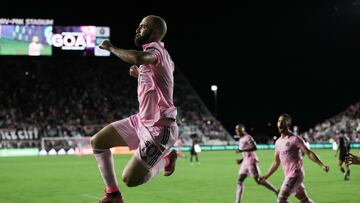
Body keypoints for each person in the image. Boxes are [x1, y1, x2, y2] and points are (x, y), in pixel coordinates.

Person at [92, 15, 178, 203]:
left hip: (159, 128)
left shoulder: (154, 49)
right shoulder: (160, 56)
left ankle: (167, 158)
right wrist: (141, 74)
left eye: (143, 26)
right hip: (141, 120)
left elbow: (138, 57)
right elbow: (163, 77)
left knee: (130, 179)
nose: (137, 30)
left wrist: (110, 47)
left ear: (154, 32)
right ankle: (113, 195)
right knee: (98, 142)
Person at [259, 113, 329, 203]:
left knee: (281, 200)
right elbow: (276, 162)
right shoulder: (278, 142)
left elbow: (308, 153)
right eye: (279, 121)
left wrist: (321, 165)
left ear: (288, 123)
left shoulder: (295, 139)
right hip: (289, 175)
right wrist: (266, 176)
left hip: (295, 174)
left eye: (283, 121)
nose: (280, 123)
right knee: (305, 200)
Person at [234, 124, 278, 203]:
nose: (237, 131)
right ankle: (237, 201)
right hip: (245, 162)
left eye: (239, 129)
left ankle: (276, 191)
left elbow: (254, 147)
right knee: (239, 181)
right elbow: (246, 153)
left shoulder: (248, 137)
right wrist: (241, 160)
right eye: (236, 130)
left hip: (251, 162)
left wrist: (241, 150)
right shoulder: (241, 139)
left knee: (258, 181)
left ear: (243, 129)